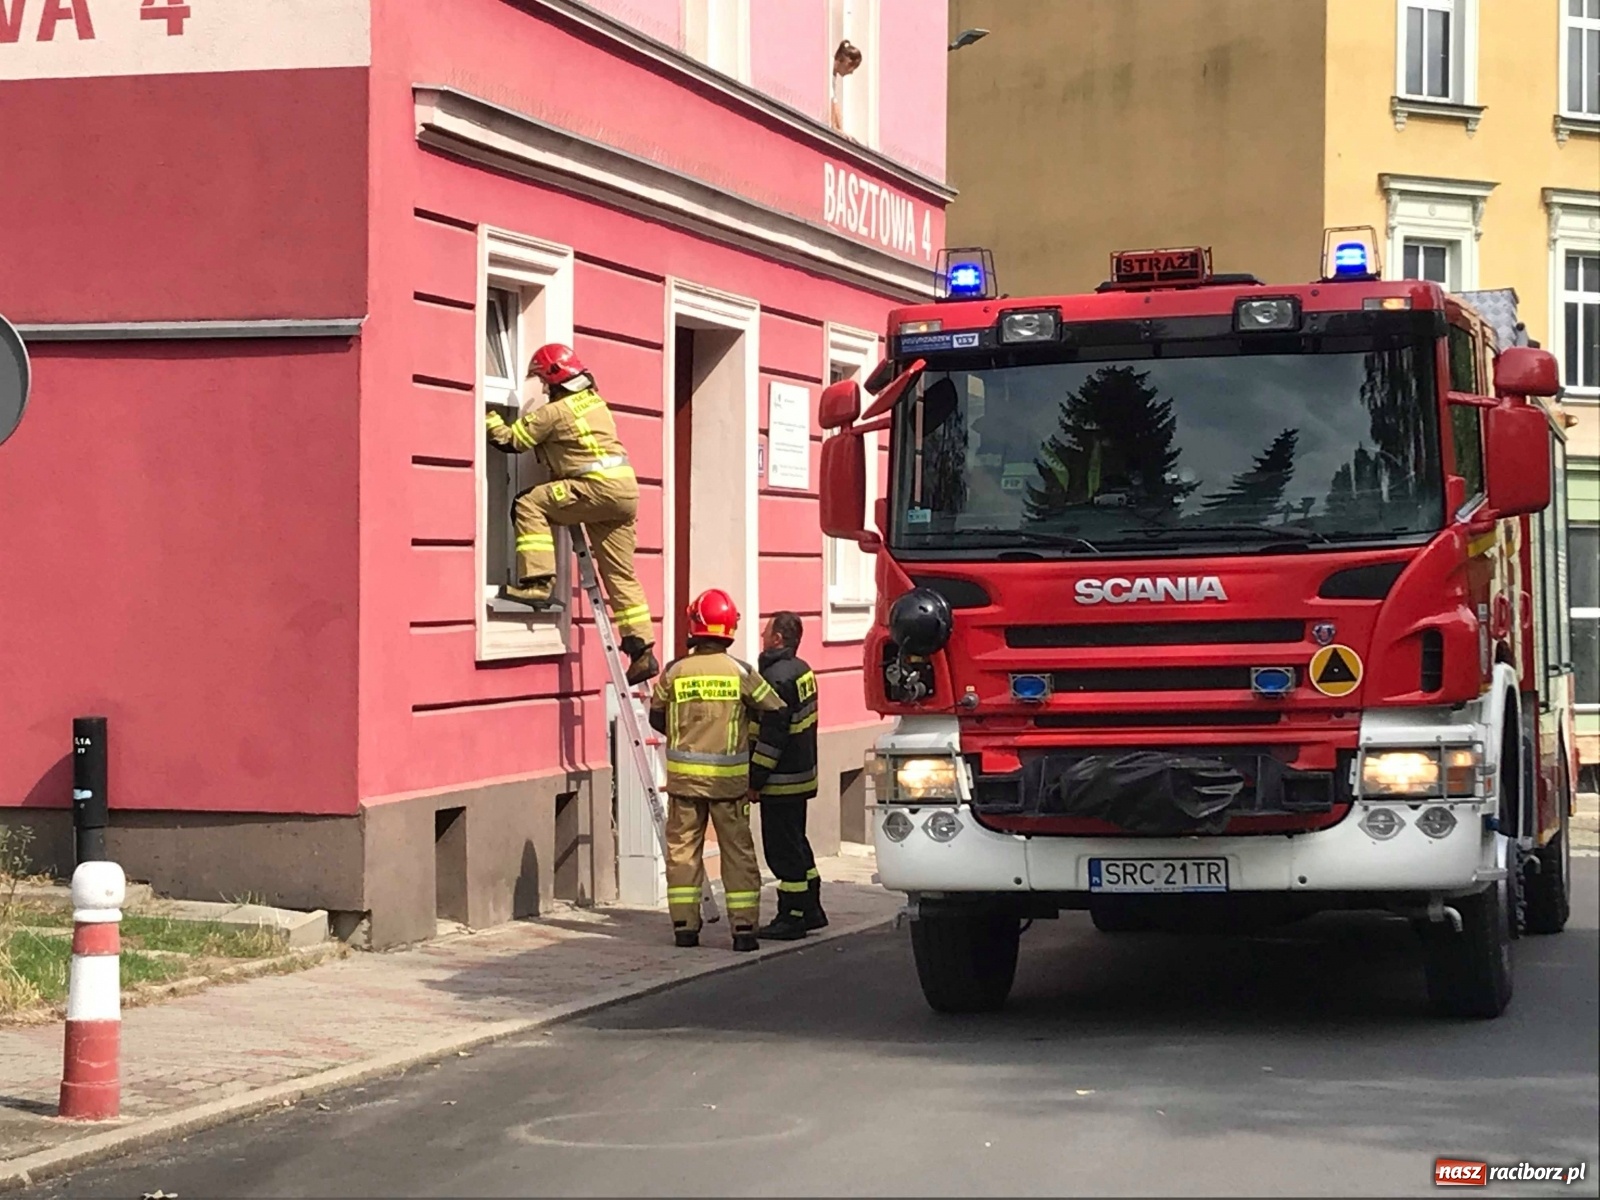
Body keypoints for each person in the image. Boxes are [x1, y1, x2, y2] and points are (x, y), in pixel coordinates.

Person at [485, 343, 657, 684]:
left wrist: (486, 412)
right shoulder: (597, 403)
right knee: (620, 573)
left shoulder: (555, 412)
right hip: (624, 491)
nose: (544, 390)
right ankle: (641, 650)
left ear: (554, 378)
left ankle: (536, 583)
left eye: (544, 383)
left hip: (594, 487)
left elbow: (511, 441)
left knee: (528, 504)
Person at [648, 588, 784, 951]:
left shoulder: (675, 671)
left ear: (694, 624)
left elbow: (656, 717)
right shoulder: (740, 672)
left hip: (684, 782)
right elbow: (774, 710)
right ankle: (743, 931)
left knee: (682, 852)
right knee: (737, 852)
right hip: (730, 784)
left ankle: (684, 929)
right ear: (730, 628)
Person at [750, 612, 828, 941]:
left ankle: (792, 916)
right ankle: (811, 908)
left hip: (780, 780)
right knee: (798, 843)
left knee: (782, 851)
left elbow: (772, 736)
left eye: (766, 631)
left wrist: (754, 779)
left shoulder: (776, 678)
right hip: (802, 773)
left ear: (778, 639)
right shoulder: (802, 670)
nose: (762, 636)